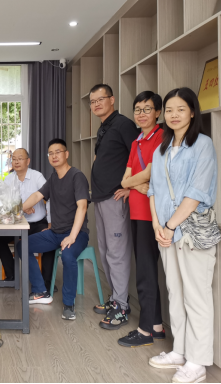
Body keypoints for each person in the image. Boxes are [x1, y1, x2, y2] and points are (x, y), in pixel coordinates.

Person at [148, 88, 219, 384]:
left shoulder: (203, 144)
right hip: (166, 232)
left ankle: (198, 361)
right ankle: (179, 350)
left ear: (192, 112)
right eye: (169, 110)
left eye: (180, 109)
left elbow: (196, 192)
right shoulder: (161, 149)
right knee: (175, 293)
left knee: (196, 296)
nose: (174, 115)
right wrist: (157, 226)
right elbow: (153, 190)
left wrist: (170, 225)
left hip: (189, 232)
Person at [19, 139, 90, 321]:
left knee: (67, 256)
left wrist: (72, 236)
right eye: (50, 153)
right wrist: (17, 210)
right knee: (22, 246)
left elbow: (82, 207)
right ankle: (40, 291)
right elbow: (37, 195)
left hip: (77, 233)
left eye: (58, 152)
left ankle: (68, 304)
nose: (54, 156)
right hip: (55, 233)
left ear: (66, 154)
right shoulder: (53, 178)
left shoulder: (77, 176)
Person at [116, 92, 166, 348]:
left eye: (147, 109)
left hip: (152, 215)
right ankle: (156, 325)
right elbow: (124, 180)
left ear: (158, 112)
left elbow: (150, 172)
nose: (141, 113)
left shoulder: (161, 136)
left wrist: (133, 181)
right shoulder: (137, 140)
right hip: (137, 212)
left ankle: (145, 331)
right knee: (145, 270)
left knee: (146, 273)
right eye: (137, 109)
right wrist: (136, 183)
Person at [89, 84, 139, 330]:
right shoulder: (104, 127)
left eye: (101, 99)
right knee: (105, 251)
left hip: (115, 198)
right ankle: (116, 298)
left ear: (112, 100)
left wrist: (131, 187)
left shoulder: (123, 124)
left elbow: (140, 157)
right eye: (92, 101)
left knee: (117, 253)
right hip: (101, 198)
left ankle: (121, 306)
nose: (96, 104)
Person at [0, 148, 48, 282]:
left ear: (28, 161)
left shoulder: (37, 176)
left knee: (49, 239)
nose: (16, 162)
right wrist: (22, 209)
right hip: (15, 223)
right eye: (14, 159)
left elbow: (49, 196)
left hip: (36, 224)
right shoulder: (8, 179)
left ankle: (46, 281)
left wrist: (29, 206)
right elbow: (5, 204)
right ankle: (12, 274)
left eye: (20, 159)